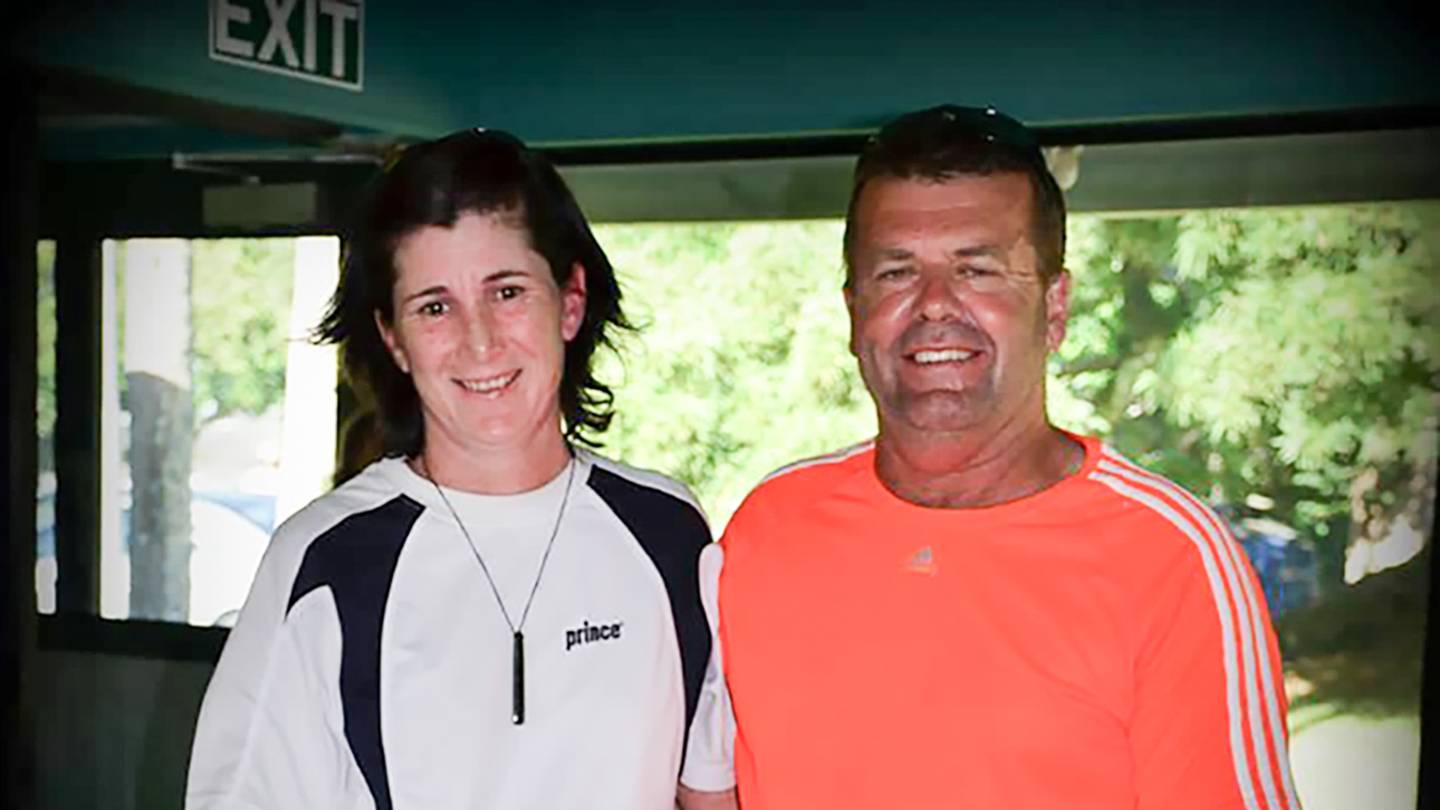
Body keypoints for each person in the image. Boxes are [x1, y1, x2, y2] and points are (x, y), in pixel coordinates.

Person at [718, 106, 1301, 809]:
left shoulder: (1170, 556)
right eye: (896, 273)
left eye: (978, 270)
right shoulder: (767, 530)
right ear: (853, 311)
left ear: (1055, 309)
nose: (935, 306)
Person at [186, 130, 736, 810]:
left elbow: (708, 792)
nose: (479, 342)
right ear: (393, 336)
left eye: (506, 293)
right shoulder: (327, 560)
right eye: (435, 306)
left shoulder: (668, 533)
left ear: (569, 301)